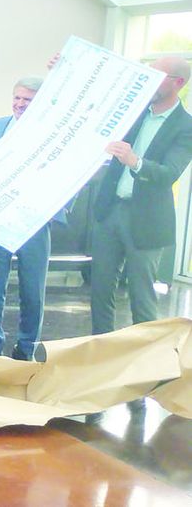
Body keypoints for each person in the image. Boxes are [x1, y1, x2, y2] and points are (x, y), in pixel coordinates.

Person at [90, 56, 192, 334]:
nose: (148, 81)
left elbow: (169, 173)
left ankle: (144, 363)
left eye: (157, 76)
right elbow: (94, 103)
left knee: (142, 297)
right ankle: (100, 352)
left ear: (178, 83)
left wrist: (135, 161)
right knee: (99, 290)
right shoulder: (134, 113)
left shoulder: (186, 126)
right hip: (110, 212)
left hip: (147, 221)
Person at [0, 76, 66, 360]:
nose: (19, 104)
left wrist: (53, 212)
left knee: (32, 289)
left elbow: (70, 175)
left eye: (26, 100)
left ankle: (26, 347)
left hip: (34, 221)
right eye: (16, 98)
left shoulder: (56, 131)